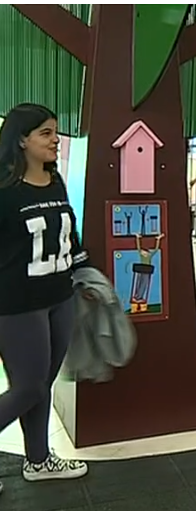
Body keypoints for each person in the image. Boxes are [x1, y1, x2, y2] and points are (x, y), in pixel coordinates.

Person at [0, 103, 91, 487]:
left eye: (56, 132)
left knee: (43, 386)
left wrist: (85, 273)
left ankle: (38, 460)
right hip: (18, 304)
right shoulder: (4, 189)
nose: (55, 140)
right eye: (46, 134)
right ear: (22, 140)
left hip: (60, 296)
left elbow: (68, 235)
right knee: (29, 386)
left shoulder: (55, 181)